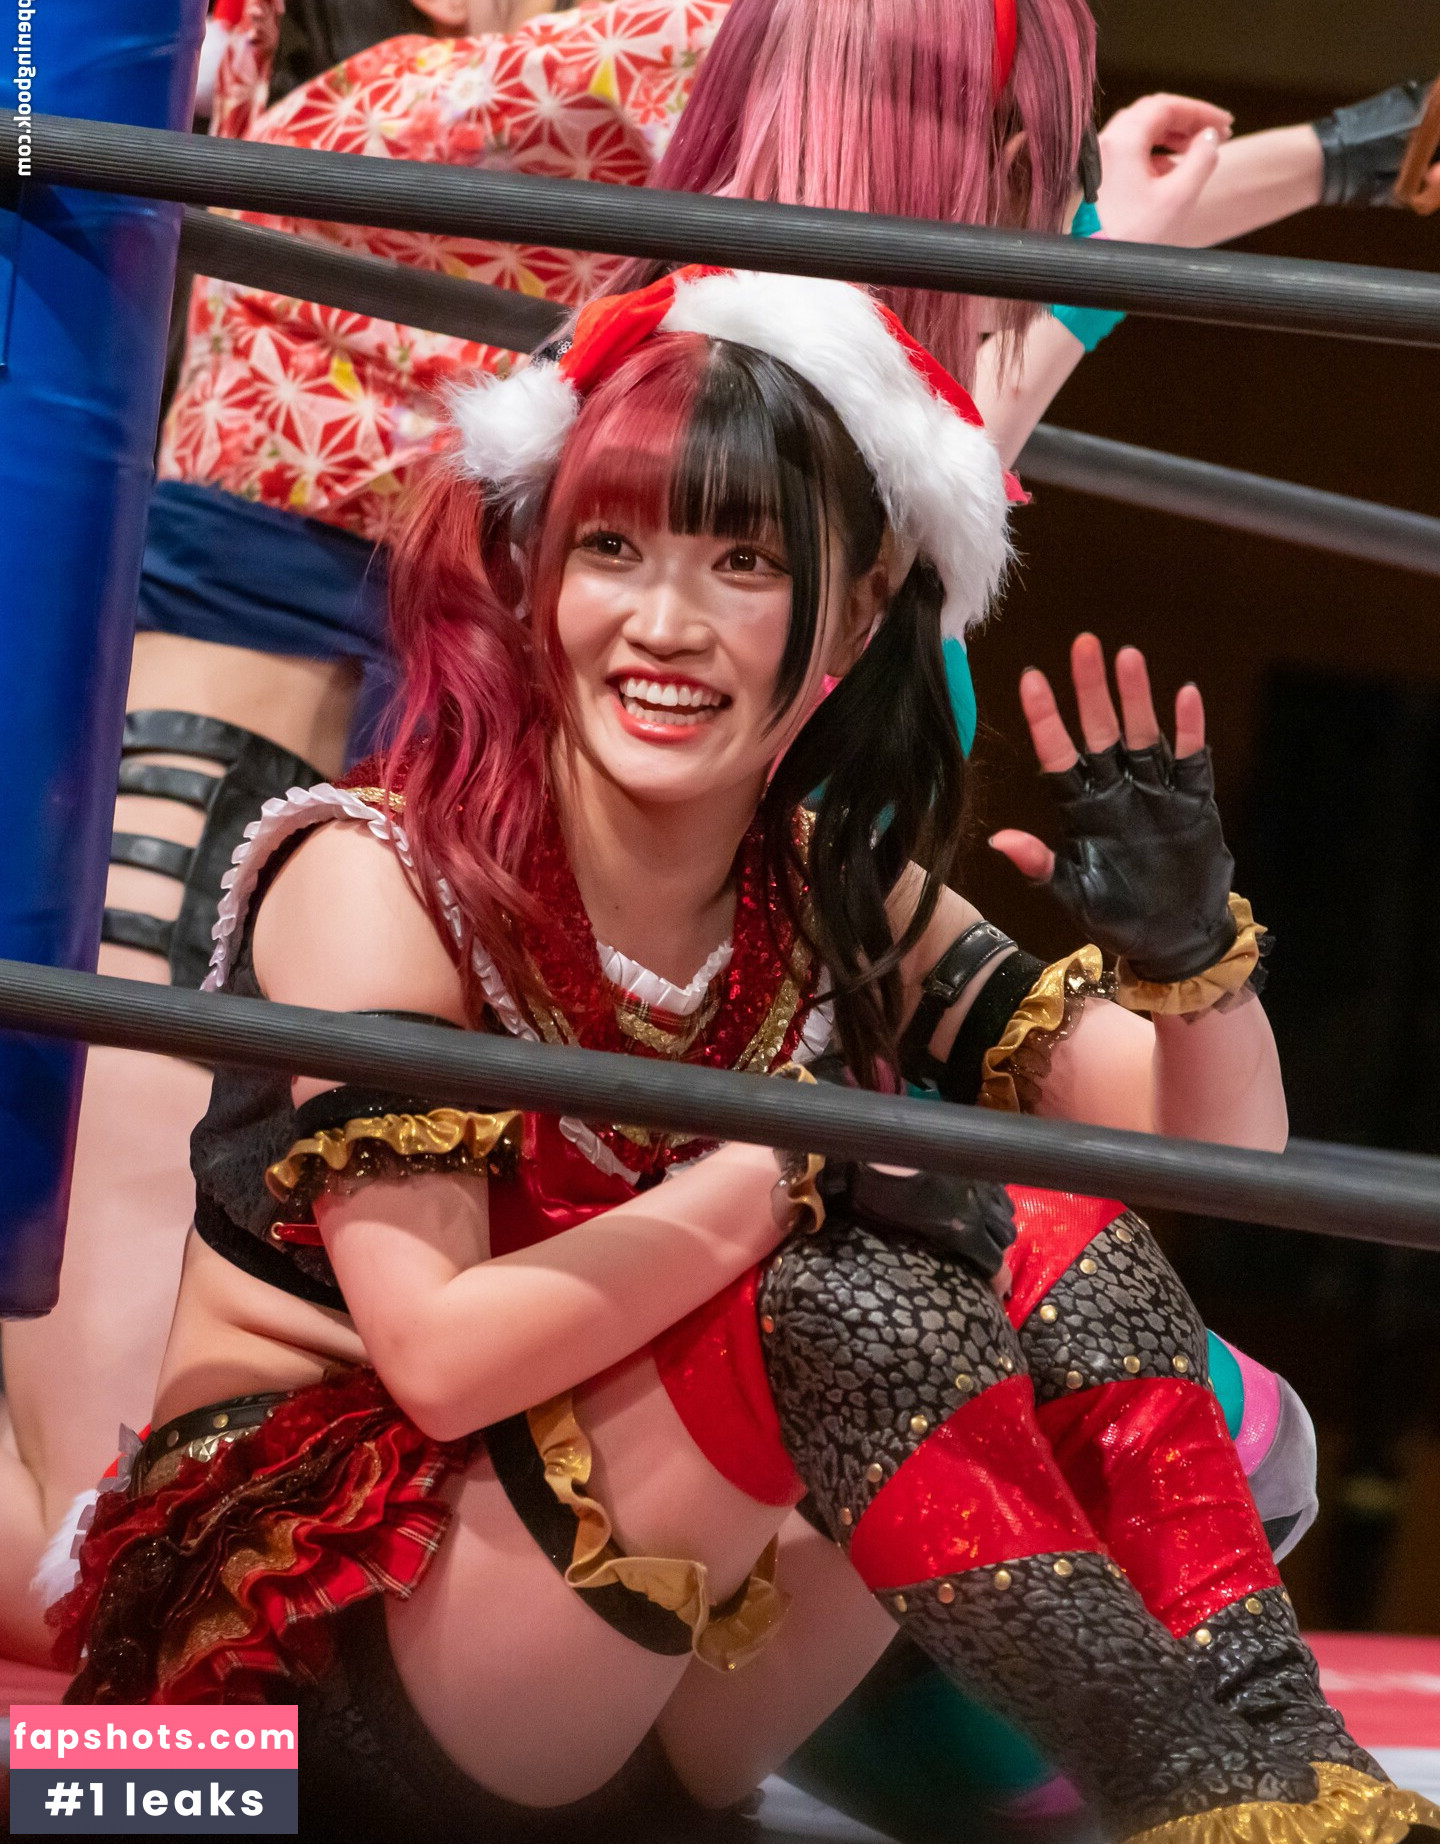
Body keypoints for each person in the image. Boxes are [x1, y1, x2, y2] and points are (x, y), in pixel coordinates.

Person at [51, 269, 1439, 1844]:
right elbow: (434, 1360)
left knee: (1057, 1239)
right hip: (335, 1657)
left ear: (851, 610)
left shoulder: (826, 886)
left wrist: (1188, 966)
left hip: (653, 1721)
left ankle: (1292, 1771)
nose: (666, 623)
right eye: (613, 548)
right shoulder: (380, 874)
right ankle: (1197, 1789)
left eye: (743, 562)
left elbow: (1214, 1156)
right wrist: (782, 1172)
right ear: (531, 572)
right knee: (851, 1290)